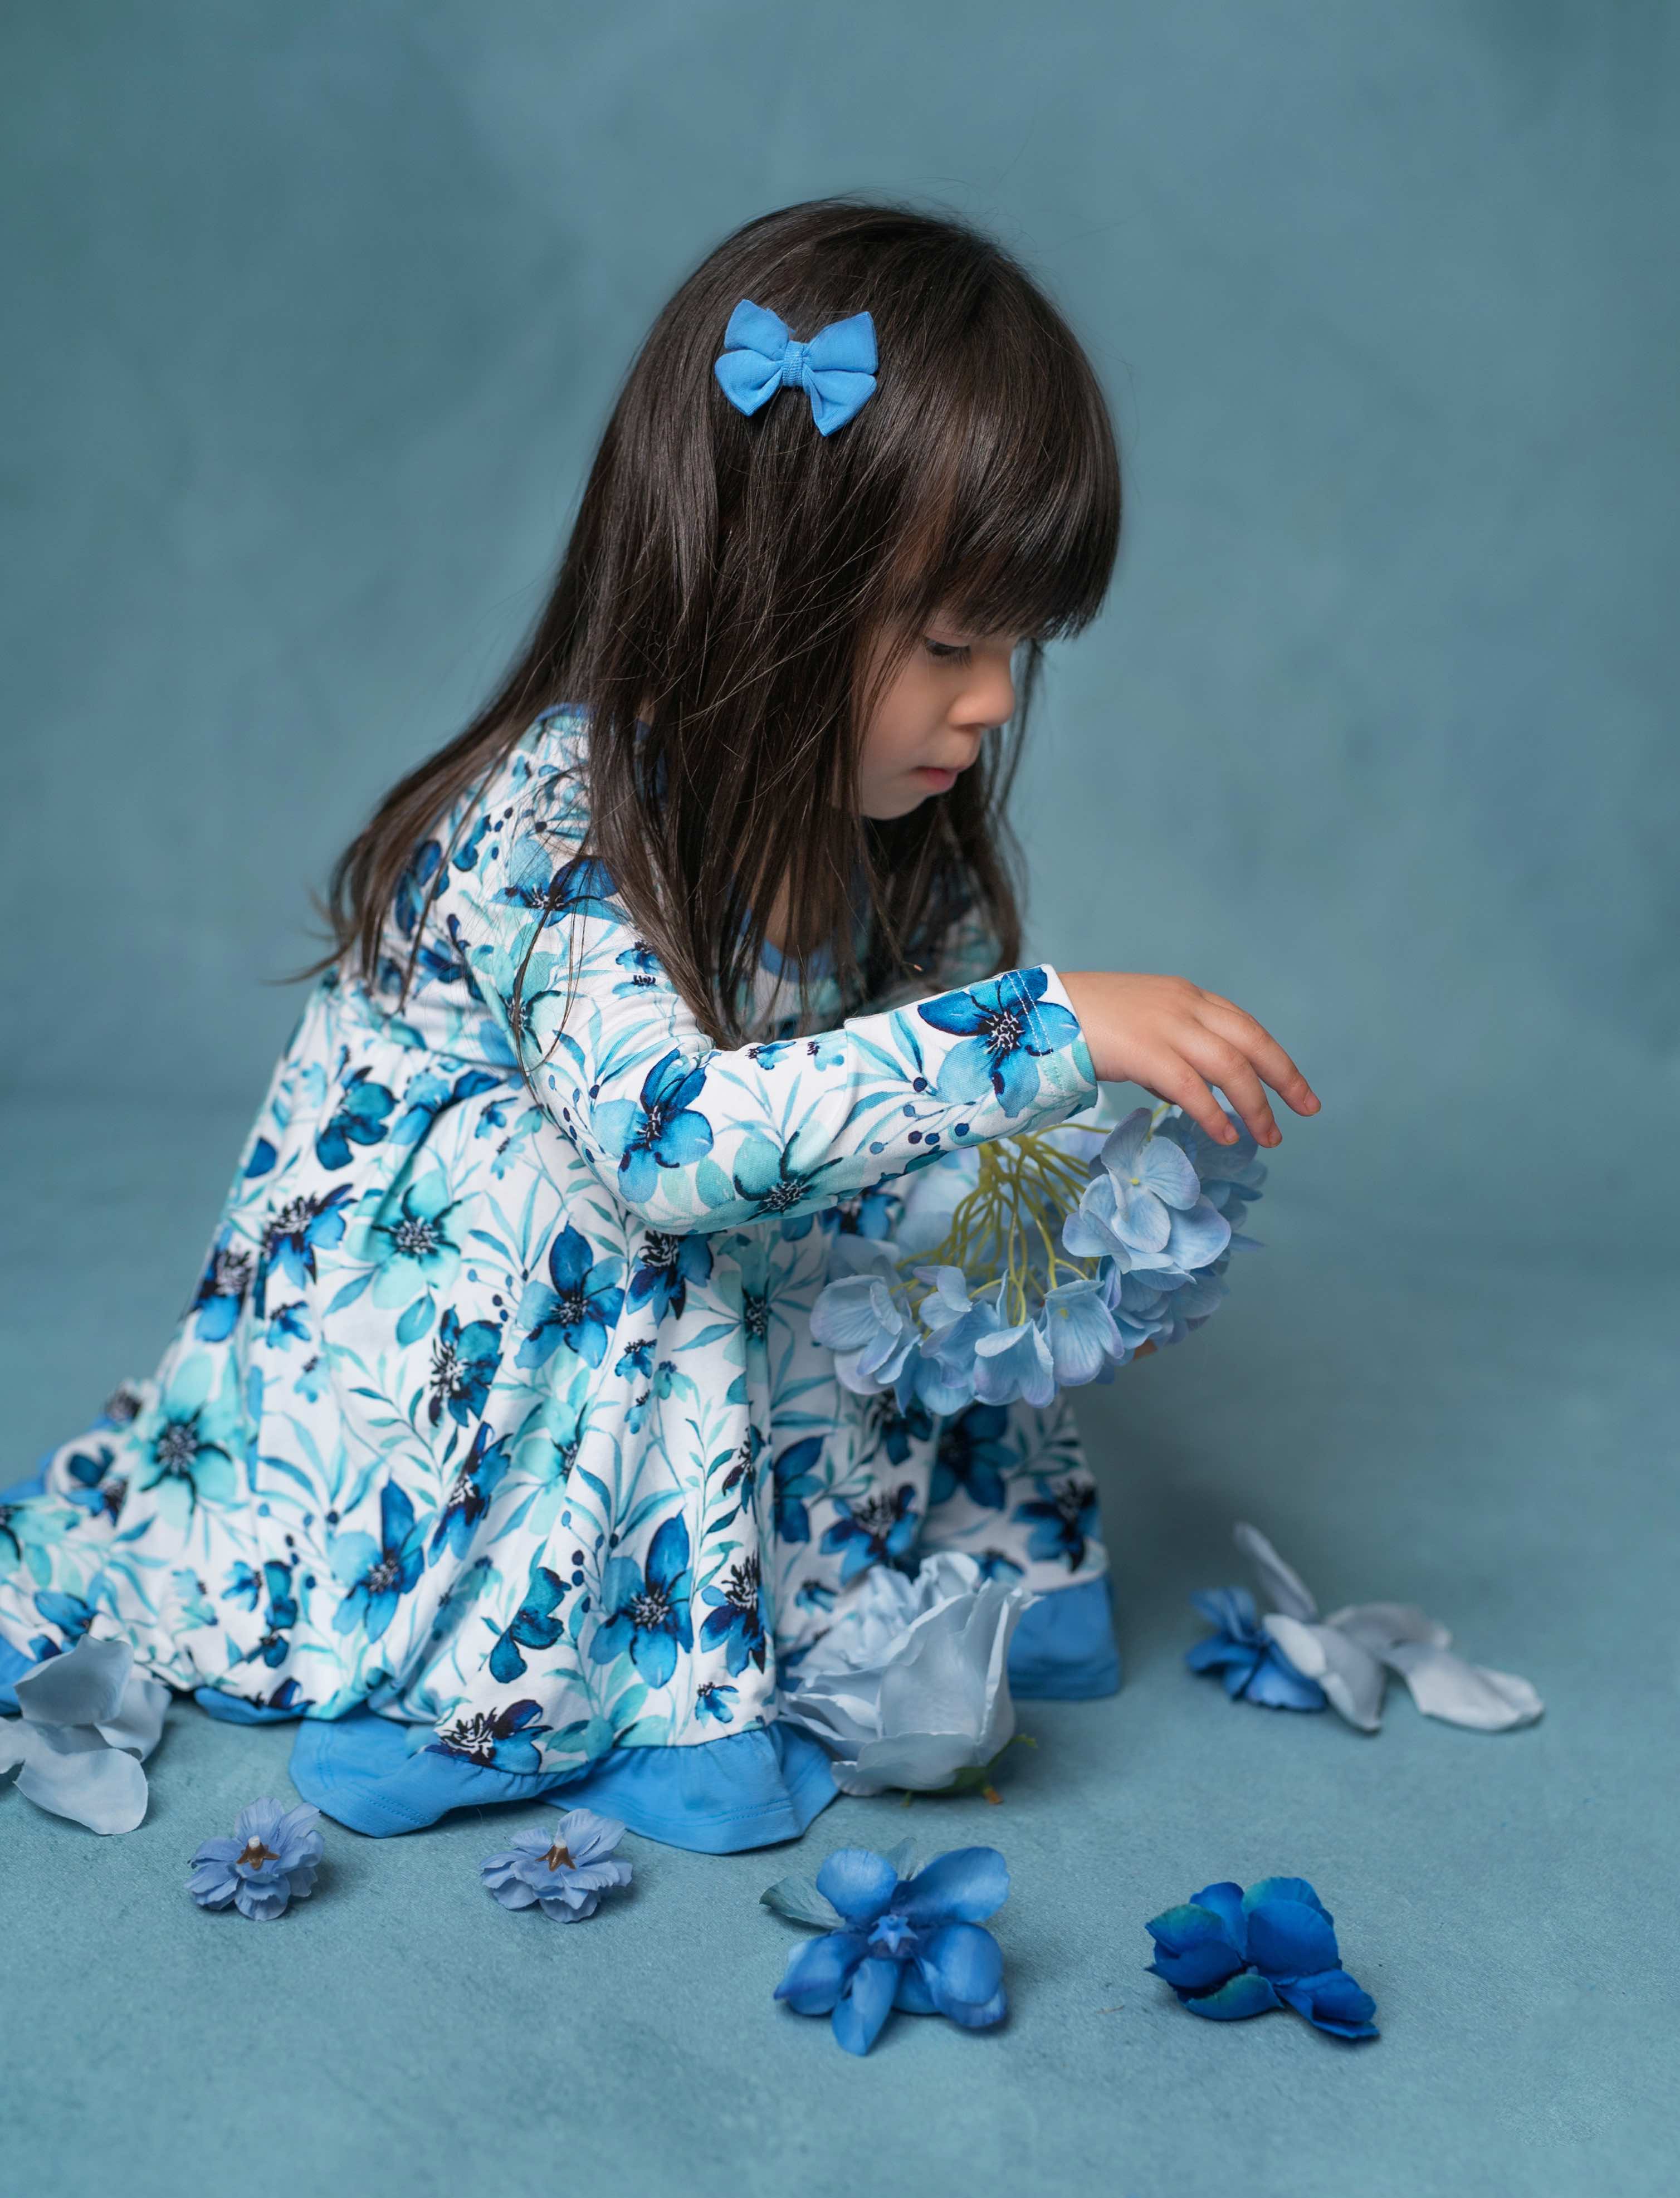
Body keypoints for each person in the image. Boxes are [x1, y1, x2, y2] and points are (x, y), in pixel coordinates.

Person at [0, 199, 1315, 1850]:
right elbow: (672, 1144)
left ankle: (943, 1574)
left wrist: (1060, 1208)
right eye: (950, 641)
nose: (992, 700)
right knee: (662, 1203)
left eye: (1016, 650)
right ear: (768, 594)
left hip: (677, 1267)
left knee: (923, 1184)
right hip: (425, 1369)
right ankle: (549, 1677)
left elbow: (899, 1111)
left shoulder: (892, 841)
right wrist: (1040, 1029)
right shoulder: (552, 816)